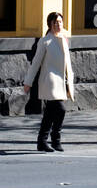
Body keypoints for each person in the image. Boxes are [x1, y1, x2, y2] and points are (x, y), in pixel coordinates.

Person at [24, 12, 75, 152]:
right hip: (50, 82)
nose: (58, 25)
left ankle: (42, 141)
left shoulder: (64, 39)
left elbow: (67, 65)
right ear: (50, 25)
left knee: (49, 113)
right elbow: (35, 63)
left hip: (62, 81)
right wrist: (28, 82)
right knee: (61, 109)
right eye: (55, 22)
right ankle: (55, 138)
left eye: (60, 22)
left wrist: (70, 79)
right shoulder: (45, 41)